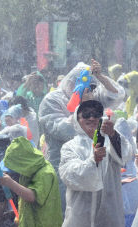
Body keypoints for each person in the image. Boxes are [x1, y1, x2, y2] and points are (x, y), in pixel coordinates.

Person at [38, 60, 124, 210]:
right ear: (70, 81)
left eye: (91, 86)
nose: (86, 89)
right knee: (67, 212)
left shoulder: (92, 96)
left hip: (95, 160)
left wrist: (101, 77)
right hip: (64, 163)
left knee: (96, 213)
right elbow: (61, 130)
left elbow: (115, 96)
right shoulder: (52, 100)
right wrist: (82, 108)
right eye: (80, 83)